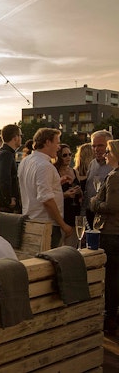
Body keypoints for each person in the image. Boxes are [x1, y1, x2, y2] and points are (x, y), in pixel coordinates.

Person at [18, 128, 74, 248]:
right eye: (57, 143)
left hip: (29, 221)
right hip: (47, 226)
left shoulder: (25, 161)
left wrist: (57, 182)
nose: (58, 147)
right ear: (48, 142)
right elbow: (46, 199)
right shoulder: (45, 166)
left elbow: (32, 188)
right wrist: (64, 225)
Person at [89, 139, 119, 335]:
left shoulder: (114, 177)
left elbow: (112, 206)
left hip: (111, 232)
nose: (105, 154)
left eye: (108, 151)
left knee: (111, 277)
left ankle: (109, 319)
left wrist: (94, 203)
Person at [85, 130, 114, 228]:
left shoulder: (114, 166)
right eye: (93, 146)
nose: (96, 149)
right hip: (90, 214)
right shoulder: (92, 164)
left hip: (108, 218)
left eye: (100, 145)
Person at [55, 144, 82, 231]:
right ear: (58, 156)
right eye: (65, 155)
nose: (68, 157)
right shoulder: (54, 172)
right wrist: (65, 195)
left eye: (70, 154)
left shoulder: (74, 172)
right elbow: (50, 195)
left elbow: (81, 196)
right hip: (62, 213)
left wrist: (79, 192)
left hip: (75, 212)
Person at [0, 124, 22, 213]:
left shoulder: (2, 152)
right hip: (8, 205)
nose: (21, 138)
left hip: (4, 203)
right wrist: (9, 199)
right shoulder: (6, 154)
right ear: (15, 137)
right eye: (20, 135)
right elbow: (4, 178)